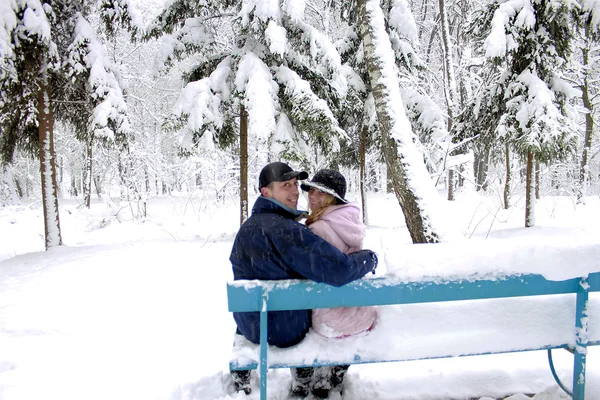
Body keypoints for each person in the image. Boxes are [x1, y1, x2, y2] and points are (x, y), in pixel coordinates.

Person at [230, 162, 378, 397]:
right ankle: (307, 378)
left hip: (249, 326)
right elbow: (338, 270)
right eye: (285, 185)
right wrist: (369, 259)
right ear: (266, 192)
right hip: (285, 330)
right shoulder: (286, 231)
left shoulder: (248, 227)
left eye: (296, 185)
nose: (295, 191)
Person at [301, 169, 378, 398]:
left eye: (318, 192)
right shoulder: (350, 222)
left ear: (331, 197)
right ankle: (335, 371)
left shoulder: (318, 229)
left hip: (328, 318)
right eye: (311, 190)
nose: (311, 196)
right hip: (359, 312)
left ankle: (317, 378)